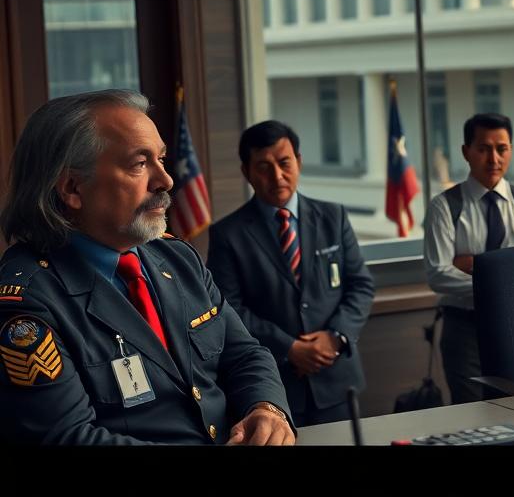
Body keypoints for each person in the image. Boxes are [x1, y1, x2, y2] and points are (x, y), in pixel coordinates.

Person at [0, 91, 293, 444]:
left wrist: (266, 409)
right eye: (139, 164)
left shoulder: (176, 257)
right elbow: (68, 438)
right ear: (72, 188)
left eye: (162, 159)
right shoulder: (26, 304)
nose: (165, 181)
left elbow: (245, 353)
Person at [207, 120, 375, 427]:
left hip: (336, 378)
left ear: (298, 161)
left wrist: (335, 337)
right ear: (247, 172)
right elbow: (228, 309)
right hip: (274, 386)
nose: (277, 176)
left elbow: (360, 286)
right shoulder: (227, 235)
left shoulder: (332, 217)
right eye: (263, 167)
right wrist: (290, 348)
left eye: (285, 163)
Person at [423, 113, 514, 403]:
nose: (493, 158)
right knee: (472, 412)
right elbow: (438, 273)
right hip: (464, 327)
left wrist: (477, 265)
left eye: (501, 148)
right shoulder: (445, 206)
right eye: (483, 149)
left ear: (511, 150)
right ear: (466, 152)